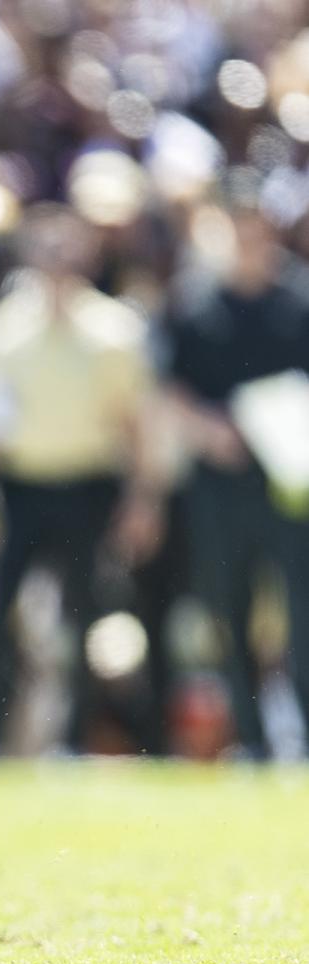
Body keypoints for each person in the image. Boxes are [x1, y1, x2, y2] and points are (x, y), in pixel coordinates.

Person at [0, 205, 162, 757]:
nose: (57, 262)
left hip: (88, 486)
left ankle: (75, 742)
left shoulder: (114, 331)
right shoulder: (1, 331)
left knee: (84, 617)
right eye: (47, 250)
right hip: (21, 489)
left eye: (67, 250)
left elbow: (135, 426)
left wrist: (142, 500)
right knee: (0, 616)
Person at [164, 198, 309, 760]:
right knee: (228, 605)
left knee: (302, 607)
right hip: (220, 483)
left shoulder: (298, 301)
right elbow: (171, 388)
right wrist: (209, 429)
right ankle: (251, 738)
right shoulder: (197, 304)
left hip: (291, 485)